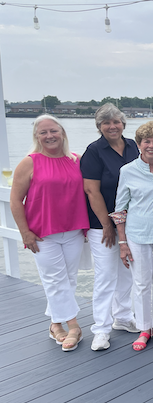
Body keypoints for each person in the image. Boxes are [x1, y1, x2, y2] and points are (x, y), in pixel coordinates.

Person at [10, 115, 89, 352]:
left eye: (53, 131)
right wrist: (25, 232)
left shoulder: (77, 160)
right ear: (36, 136)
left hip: (74, 230)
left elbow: (89, 191)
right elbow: (15, 200)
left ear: (62, 132)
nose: (49, 136)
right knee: (55, 279)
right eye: (43, 132)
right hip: (43, 234)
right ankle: (74, 326)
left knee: (69, 280)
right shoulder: (30, 162)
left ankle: (55, 324)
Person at [81, 103, 140, 351]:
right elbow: (91, 190)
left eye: (116, 121)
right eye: (106, 123)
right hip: (102, 225)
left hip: (131, 224)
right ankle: (101, 329)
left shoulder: (133, 146)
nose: (112, 126)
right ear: (99, 127)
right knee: (106, 276)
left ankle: (123, 317)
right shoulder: (94, 151)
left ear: (123, 124)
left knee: (127, 273)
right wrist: (107, 224)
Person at [111, 121, 153, 352]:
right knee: (141, 284)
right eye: (146, 141)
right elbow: (120, 209)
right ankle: (144, 328)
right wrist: (123, 242)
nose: (151, 145)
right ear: (138, 144)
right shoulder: (127, 171)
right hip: (137, 236)